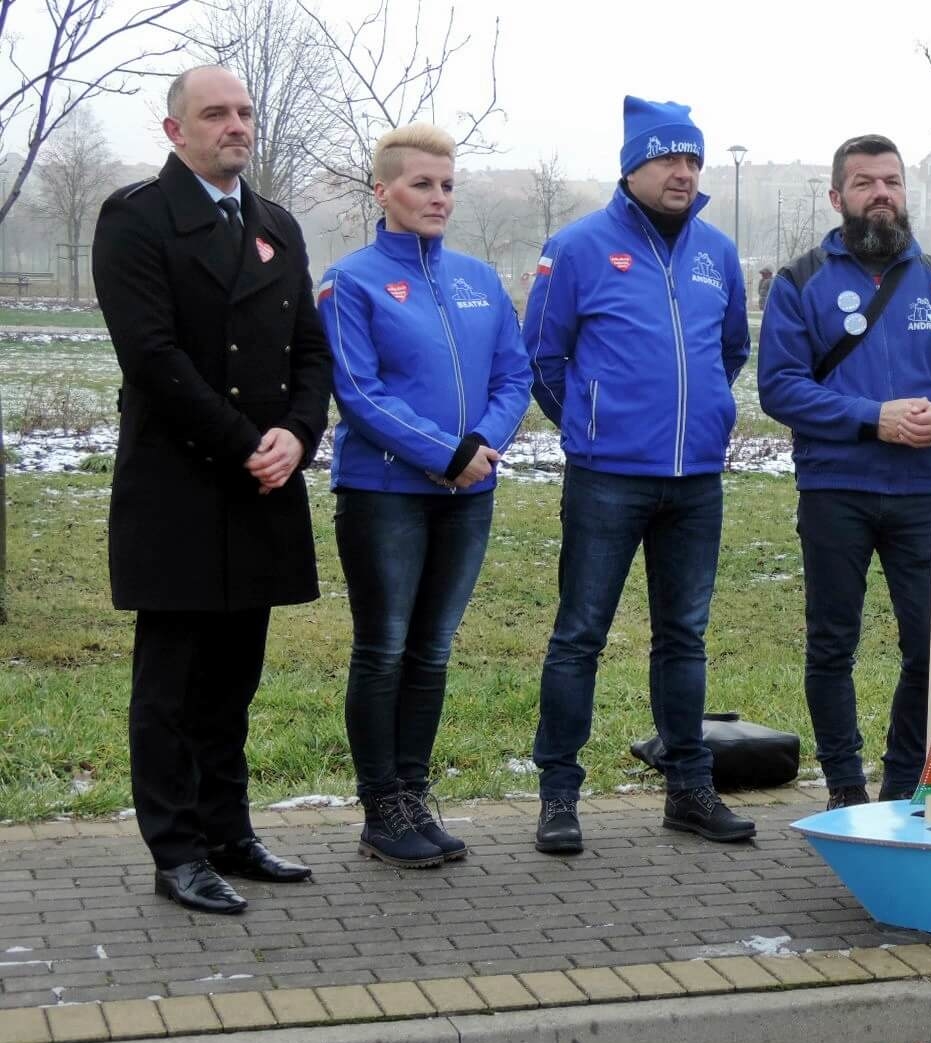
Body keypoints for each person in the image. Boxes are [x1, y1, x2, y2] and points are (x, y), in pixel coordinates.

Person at [92, 65, 332, 914]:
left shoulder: (276, 224)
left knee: (235, 678)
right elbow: (152, 358)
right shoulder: (136, 218)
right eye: (215, 114)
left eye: (243, 112)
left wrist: (298, 435)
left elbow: (310, 347)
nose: (235, 124)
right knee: (171, 686)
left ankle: (229, 831)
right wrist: (246, 445)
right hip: (181, 488)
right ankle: (177, 850)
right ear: (175, 132)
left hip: (261, 484)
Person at [524, 96, 754, 850]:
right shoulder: (579, 247)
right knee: (579, 636)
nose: (683, 171)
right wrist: (592, 428)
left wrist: (707, 418)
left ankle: (688, 788)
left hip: (695, 481)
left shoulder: (717, 253)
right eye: (668, 158)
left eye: (692, 159)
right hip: (607, 479)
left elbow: (729, 353)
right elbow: (543, 359)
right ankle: (559, 795)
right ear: (632, 168)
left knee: (684, 637)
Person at [317, 124, 532, 868]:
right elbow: (359, 393)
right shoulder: (351, 281)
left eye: (446, 186)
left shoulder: (478, 279)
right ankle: (381, 808)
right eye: (421, 185)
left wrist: (481, 450)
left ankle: (413, 794)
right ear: (383, 191)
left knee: (433, 652)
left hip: (469, 493)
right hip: (386, 494)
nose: (437, 198)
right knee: (384, 650)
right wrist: (446, 454)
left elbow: (516, 373)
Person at [757, 134, 931, 809]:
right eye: (864, 183)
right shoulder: (801, 282)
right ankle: (845, 786)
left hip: (923, 495)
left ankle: (906, 778)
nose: (880, 193)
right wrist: (872, 417)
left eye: (891, 181)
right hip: (836, 489)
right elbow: (780, 387)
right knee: (833, 643)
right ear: (838, 198)